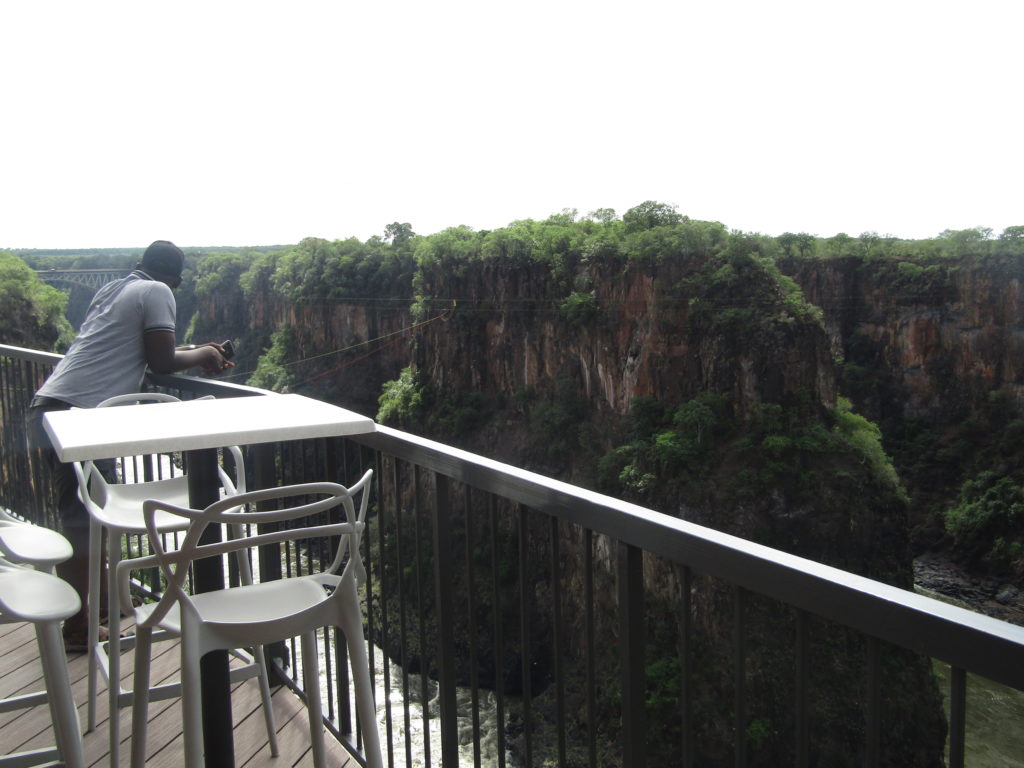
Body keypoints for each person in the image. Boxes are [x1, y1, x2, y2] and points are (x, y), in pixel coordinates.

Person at [26, 240, 234, 651]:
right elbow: (160, 363)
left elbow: (142, 350)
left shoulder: (115, 289)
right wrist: (206, 353)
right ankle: (76, 627)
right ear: (174, 279)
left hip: (54, 403)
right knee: (82, 524)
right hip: (81, 415)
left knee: (88, 516)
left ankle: (105, 603)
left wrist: (199, 350)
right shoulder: (158, 292)